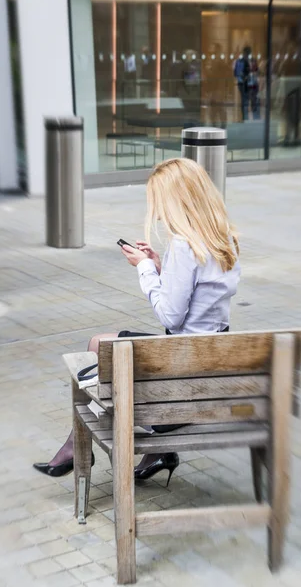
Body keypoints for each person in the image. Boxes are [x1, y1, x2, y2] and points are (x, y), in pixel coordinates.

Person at [34, 158, 241, 484]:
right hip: (209, 368)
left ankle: (80, 443)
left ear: (177, 198)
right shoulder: (223, 239)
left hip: (178, 384)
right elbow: (199, 304)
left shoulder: (184, 244)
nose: (155, 209)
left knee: (97, 347)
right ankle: (100, 447)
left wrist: (144, 269)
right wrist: (160, 267)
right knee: (101, 346)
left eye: (158, 199)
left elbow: (171, 316)